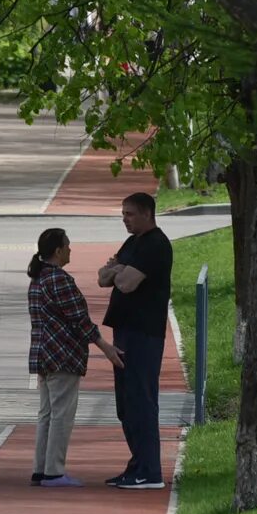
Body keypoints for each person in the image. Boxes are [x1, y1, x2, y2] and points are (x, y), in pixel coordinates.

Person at [28, 227, 122, 487]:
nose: (71, 249)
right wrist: (105, 347)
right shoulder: (60, 280)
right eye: (67, 245)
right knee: (62, 415)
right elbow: (79, 320)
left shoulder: (37, 279)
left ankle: (41, 469)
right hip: (63, 355)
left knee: (46, 414)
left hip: (43, 355)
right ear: (58, 250)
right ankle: (54, 472)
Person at [98, 192, 173, 489]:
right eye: (123, 214)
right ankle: (137, 463)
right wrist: (118, 270)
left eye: (129, 214)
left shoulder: (155, 245)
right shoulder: (132, 244)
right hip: (124, 331)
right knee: (126, 404)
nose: (125, 219)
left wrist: (118, 271)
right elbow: (104, 277)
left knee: (141, 400)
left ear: (146, 213)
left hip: (143, 333)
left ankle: (150, 471)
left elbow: (126, 284)